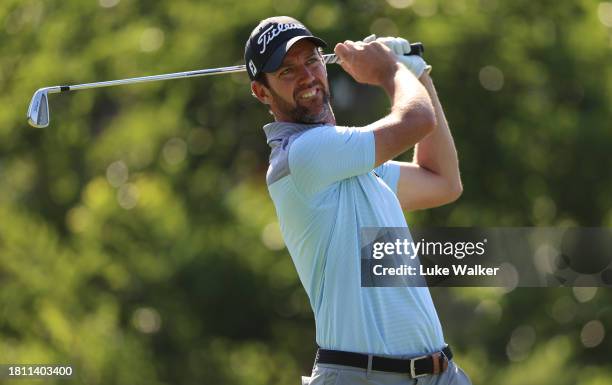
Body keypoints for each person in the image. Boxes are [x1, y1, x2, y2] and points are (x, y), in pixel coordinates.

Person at [244, 16, 470, 385]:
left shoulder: (351, 163)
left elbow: (442, 181)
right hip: (363, 376)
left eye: (312, 61)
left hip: (439, 374)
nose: (306, 76)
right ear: (261, 91)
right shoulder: (304, 154)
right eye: (287, 71)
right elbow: (415, 121)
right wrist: (389, 72)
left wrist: (418, 73)